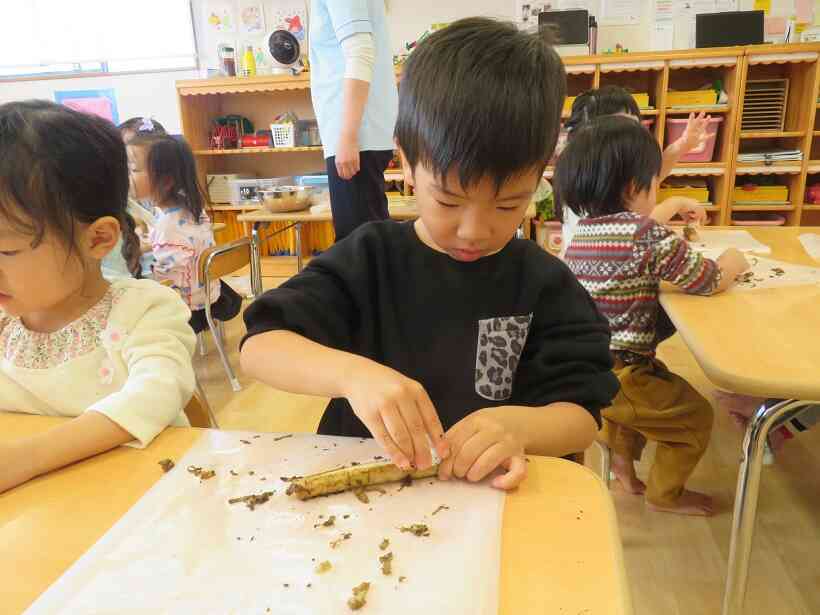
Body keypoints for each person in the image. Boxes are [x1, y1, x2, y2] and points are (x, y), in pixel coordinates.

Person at [241, 18, 619, 491]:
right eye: (449, 200)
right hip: (368, 496)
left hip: (489, 498)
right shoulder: (370, 258)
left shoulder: (544, 282)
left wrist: (519, 428)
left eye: (508, 205)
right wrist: (351, 374)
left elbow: (583, 412)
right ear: (405, 163)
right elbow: (259, 347)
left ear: (541, 175)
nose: (474, 230)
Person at [557, 115, 750, 515]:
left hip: (587, 369)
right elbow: (708, 279)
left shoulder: (583, 236)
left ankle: (624, 473)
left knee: (625, 415)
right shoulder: (644, 233)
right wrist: (734, 261)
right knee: (694, 418)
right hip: (626, 372)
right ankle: (665, 495)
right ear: (634, 187)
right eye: (654, 183)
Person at [0, 101, 197, 494]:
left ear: (100, 239)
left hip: (146, 503)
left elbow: (156, 393)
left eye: (6, 252)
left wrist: (27, 459)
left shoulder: (144, 311)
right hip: (43, 514)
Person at [560, 85, 712, 251]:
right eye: (624, 129)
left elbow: (647, 177)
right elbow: (633, 230)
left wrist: (681, 146)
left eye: (636, 126)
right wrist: (676, 203)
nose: (635, 137)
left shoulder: (603, 168)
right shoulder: (585, 181)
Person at [127, 134, 242, 335]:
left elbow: (168, 279)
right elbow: (181, 248)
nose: (127, 175)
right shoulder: (189, 207)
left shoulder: (167, 226)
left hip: (187, 311)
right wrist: (151, 244)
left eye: (134, 170)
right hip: (209, 295)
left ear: (166, 180)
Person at [309, 0, 398, 241]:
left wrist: (348, 136)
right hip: (360, 133)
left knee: (358, 249)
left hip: (357, 134)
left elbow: (360, 53)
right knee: (367, 245)